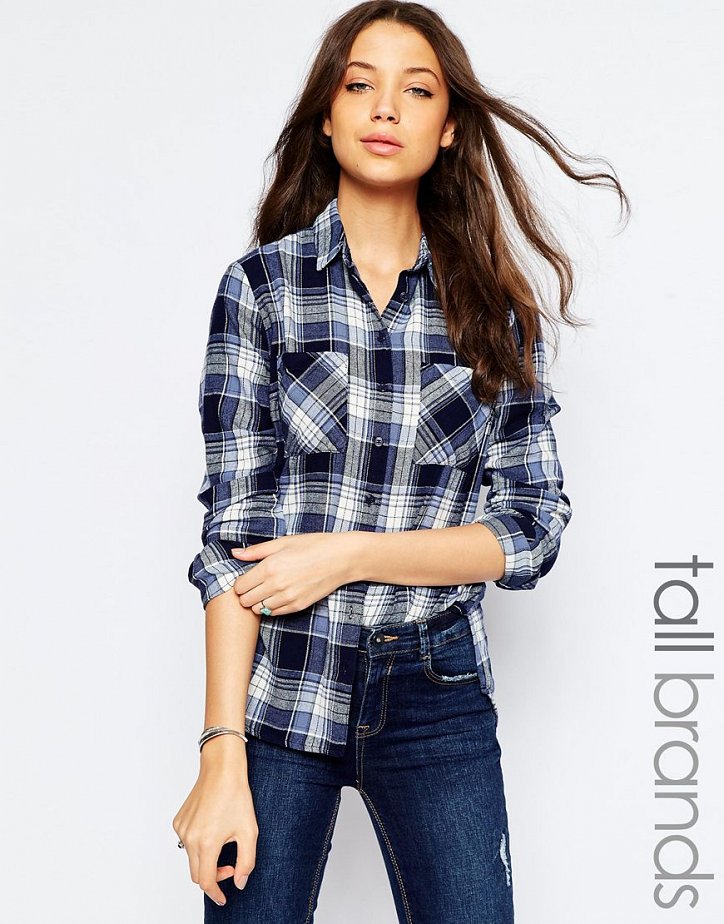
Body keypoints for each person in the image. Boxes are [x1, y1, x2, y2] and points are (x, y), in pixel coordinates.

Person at [173, 2, 629, 921]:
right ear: (328, 115)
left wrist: (348, 555)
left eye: (416, 90)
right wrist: (220, 753)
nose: (385, 108)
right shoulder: (260, 291)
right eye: (360, 85)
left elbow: (531, 529)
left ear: (449, 127)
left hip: (436, 691)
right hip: (282, 686)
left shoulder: (494, 312)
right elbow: (233, 542)